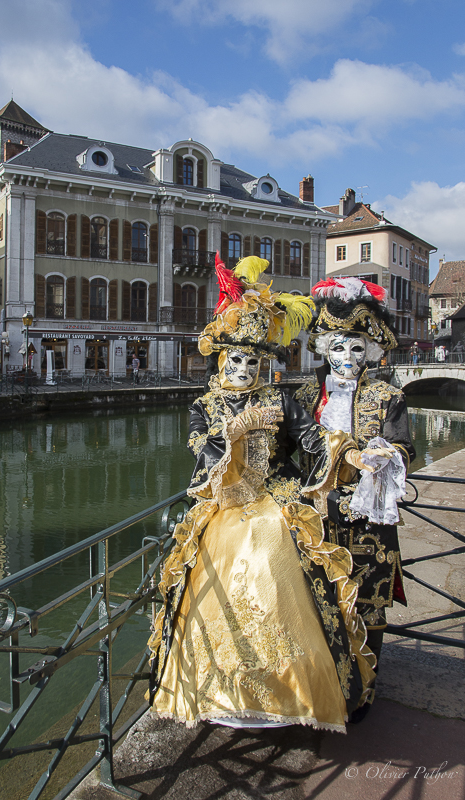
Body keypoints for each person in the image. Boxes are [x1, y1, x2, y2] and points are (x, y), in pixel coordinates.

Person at [148, 257, 386, 732]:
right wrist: (232, 434)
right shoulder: (204, 406)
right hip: (224, 506)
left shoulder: (278, 400)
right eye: (237, 358)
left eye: (253, 360)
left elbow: (310, 439)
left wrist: (344, 450)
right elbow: (201, 452)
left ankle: (292, 695)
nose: (245, 367)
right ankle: (221, 691)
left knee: (276, 555)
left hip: (277, 503)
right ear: (221, 358)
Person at [294, 277, 415, 682]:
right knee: (316, 597)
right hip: (314, 516)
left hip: (367, 520)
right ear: (326, 349)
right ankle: (324, 680)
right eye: (339, 347)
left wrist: (384, 458)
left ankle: (364, 682)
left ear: (371, 351)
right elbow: (286, 451)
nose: (347, 356)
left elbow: (404, 448)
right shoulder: (305, 396)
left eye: (357, 347)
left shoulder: (388, 397)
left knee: (367, 600)